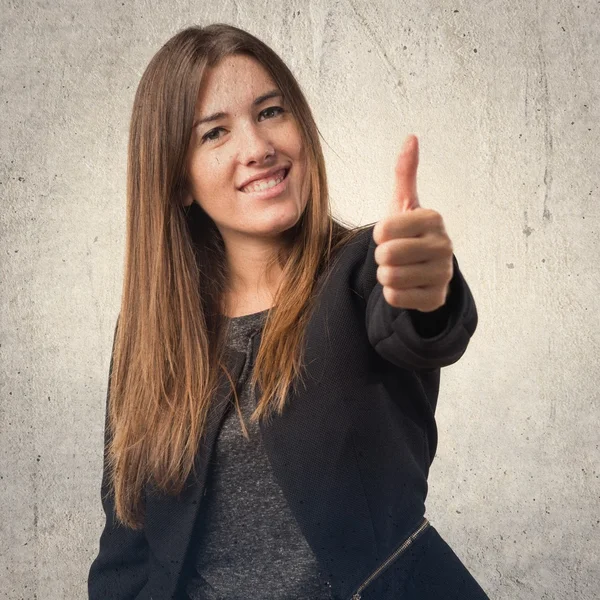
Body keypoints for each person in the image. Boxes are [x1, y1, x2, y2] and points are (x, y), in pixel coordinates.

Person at [88, 23, 491, 600]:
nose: (257, 148)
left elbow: (419, 326)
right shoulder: (151, 332)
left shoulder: (364, 270)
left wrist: (427, 289)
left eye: (271, 112)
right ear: (178, 180)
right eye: (215, 133)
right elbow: (126, 541)